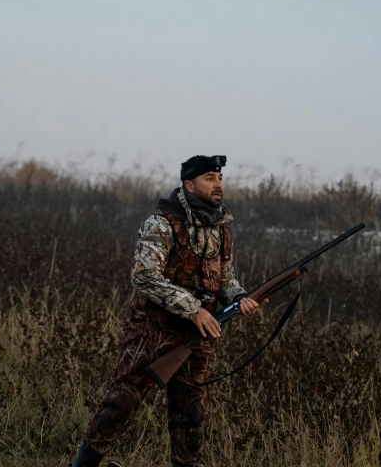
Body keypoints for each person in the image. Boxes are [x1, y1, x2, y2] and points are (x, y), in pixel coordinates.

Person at [72, 155, 265, 467]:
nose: (218, 185)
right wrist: (193, 309)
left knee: (191, 416)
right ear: (188, 184)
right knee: (120, 403)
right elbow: (144, 275)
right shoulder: (161, 223)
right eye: (209, 179)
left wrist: (240, 296)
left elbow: (224, 276)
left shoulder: (220, 228)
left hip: (197, 335)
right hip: (153, 331)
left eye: (219, 178)